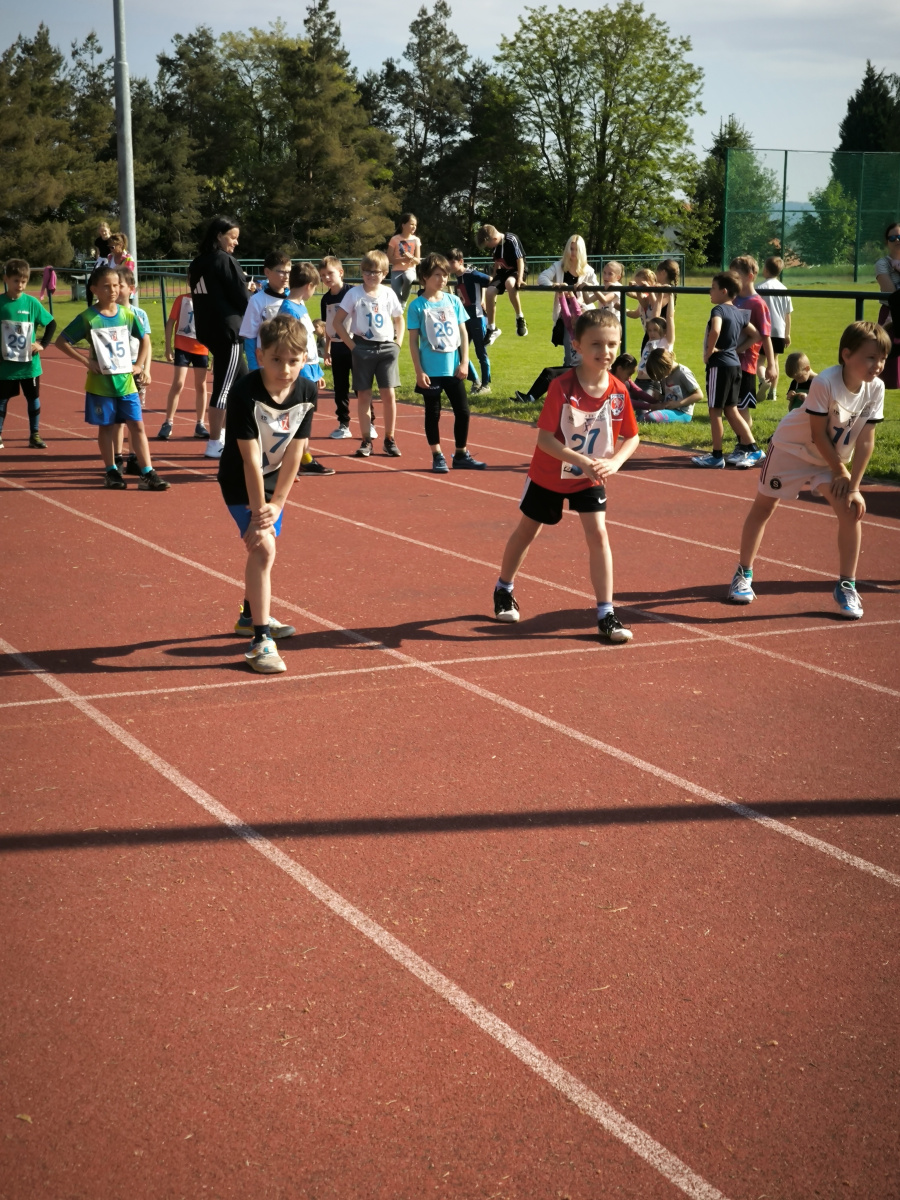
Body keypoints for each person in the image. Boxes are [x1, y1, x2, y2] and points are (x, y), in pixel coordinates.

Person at [492, 309, 640, 643]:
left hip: (589, 477)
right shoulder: (561, 387)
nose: (605, 351)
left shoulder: (619, 391)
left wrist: (615, 462)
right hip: (549, 475)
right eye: (596, 344)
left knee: (598, 535)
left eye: (612, 344)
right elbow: (545, 440)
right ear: (577, 345)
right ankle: (504, 587)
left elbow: (632, 436)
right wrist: (581, 460)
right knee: (528, 531)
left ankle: (605, 613)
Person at [727, 321, 889, 620]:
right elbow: (817, 433)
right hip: (791, 450)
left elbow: (867, 440)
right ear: (846, 355)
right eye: (870, 357)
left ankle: (846, 585)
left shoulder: (876, 388)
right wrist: (840, 470)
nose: (878, 365)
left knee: (850, 510)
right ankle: (743, 572)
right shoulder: (825, 382)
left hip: (829, 461)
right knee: (764, 506)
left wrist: (853, 486)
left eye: (883, 358)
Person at [219, 314, 315, 672]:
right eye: (276, 359)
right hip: (240, 481)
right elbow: (249, 459)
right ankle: (260, 640)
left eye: (293, 360)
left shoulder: (307, 391)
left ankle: (249, 615)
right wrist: (261, 513)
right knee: (263, 547)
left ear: (305, 358)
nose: (285, 369)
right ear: (260, 356)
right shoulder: (245, 393)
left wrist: (278, 503)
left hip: (275, 481)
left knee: (264, 550)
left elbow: (296, 451)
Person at [56, 263, 169, 490]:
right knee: (106, 427)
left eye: (116, 285)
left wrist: (139, 365)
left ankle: (147, 472)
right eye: (107, 286)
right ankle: (111, 471)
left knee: (137, 425)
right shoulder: (88, 317)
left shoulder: (127, 314)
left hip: (126, 383)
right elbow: (61, 341)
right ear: (94, 289)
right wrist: (87, 361)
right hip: (101, 385)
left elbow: (145, 339)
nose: (113, 290)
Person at [407, 252, 486, 474]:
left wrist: (464, 362)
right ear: (425, 277)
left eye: (444, 275)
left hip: (453, 368)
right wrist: (419, 371)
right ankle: (437, 455)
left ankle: (461, 454)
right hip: (430, 370)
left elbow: (463, 333)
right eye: (437, 275)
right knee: (433, 413)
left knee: (463, 411)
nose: (442, 279)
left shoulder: (453, 301)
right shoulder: (417, 306)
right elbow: (413, 341)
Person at [189, 216, 251, 460]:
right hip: (229, 332)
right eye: (232, 237)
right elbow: (242, 297)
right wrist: (250, 291)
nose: (236, 243)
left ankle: (236, 435)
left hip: (208, 329)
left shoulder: (197, 263)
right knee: (224, 389)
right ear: (219, 236)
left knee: (245, 384)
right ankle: (215, 442)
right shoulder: (224, 260)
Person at [333, 250, 403, 458]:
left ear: (384, 273)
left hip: (386, 347)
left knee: (388, 394)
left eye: (376, 272)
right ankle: (366, 440)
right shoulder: (354, 294)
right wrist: (353, 346)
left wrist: (397, 344)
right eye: (367, 272)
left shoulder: (388, 293)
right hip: (362, 347)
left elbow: (399, 319)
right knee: (364, 395)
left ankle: (389, 439)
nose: (371, 276)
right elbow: (337, 322)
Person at [691, 271, 765, 469]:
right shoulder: (739, 312)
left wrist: (709, 352)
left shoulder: (718, 310)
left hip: (720, 365)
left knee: (715, 410)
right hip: (734, 366)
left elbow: (715, 330)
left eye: (713, 288)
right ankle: (754, 448)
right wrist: (736, 349)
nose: (710, 291)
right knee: (731, 409)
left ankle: (717, 455)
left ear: (724, 291)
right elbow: (756, 335)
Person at [0, 259, 56, 451]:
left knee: (33, 398)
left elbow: (51, 323)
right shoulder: (1, 303)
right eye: (16, 281)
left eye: (24, 281)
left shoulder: (31, 303)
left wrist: (42, 344)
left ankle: (35, 434)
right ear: (6, 279)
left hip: (29, 364)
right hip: (5, 364)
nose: (20, 285)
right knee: (2, 399)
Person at [729, 255, 778, 423]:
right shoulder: (732, 299)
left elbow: (765, 336)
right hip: (729, 361)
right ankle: (740, 438)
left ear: (750, 276)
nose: (732, 280)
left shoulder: (758, 304)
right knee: (730, 407)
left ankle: (746, 439)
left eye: (736, 276)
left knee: (742, 408)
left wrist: (771, 365)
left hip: (746, 363)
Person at [159, 292, 210, 440]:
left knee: (201, 385)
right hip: (182, 347)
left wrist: (214, 353)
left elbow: (214, 327)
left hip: (202, 349)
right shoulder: (182, 299)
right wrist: (168, 348)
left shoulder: (208, 301)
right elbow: (170, 322)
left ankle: (200, 424)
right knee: (178, 383)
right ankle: (168, 422)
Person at [319, 256, 356, 439]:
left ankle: (370, 422)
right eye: (322, 275)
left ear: (341, 272)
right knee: (340, 388)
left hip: (354, 346)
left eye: (330, 273)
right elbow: (328, 326)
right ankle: (343, 424)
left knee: (361, 386)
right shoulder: (325, 299)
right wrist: (327, 349)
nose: (326, 278)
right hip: (337, 347)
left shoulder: (352, 293)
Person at [447, 248, 492, 395]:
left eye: (452, 262)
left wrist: (487, 300)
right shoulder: (457, 277)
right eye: (448, 262)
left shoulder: (472, 274)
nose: (449, 265)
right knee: (460, 350)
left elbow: (491, 281)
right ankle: (475, 380)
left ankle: (486, 384)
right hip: (464, 318)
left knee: (481, 352)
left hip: (477, 317)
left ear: (461, 261)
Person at [475, 224, 528, 341]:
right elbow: (497, 263)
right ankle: (491, 328)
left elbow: (520, 259)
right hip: (503, 273)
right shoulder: (496, 247)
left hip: (517, 270)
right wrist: (493, 278)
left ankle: (520, 318)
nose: (488, 247)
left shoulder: (511, 239)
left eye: (488, 244)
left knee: (510, 283)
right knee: (489, 292)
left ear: (494, 239)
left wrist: (520, 278)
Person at [756, 256, 792, 401]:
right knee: (775, 360)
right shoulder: (784, 289)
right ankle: (773, 392)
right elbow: (787, 314)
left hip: (762, 329)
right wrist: (787, 334)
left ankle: (762, 381)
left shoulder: (759, 288)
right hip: (779, 330)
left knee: (760, 360)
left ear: (765, 269)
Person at [640, 349, 702, 423]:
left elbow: (699, 395)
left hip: (682, 413)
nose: (661, 376)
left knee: (649, 417)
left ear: (664, 366)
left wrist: (677, 404)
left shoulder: (683, 373)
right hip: (668, 410)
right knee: (641, 417)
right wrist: (660, 397)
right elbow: (670, 396)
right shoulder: (665, 374)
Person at [874, 221, 900, 389]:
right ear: (886, 242)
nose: (897, 240)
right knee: (888, 358)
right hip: (892, 315)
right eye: (892, 238)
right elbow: (891, 293)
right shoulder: (882, 263)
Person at [387, 214, 422, 307]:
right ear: (403, 225)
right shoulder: (394, 239)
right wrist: (402, 259)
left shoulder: (416, 240)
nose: (414, 227)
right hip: (396, 270)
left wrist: (411, 258)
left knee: (408, 278)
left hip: (410, 269)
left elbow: (418, 261)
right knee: (395, 292)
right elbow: (389, 258)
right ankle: (400, 307)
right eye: (411, 224)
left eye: (415, 225)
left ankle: (403, 303)